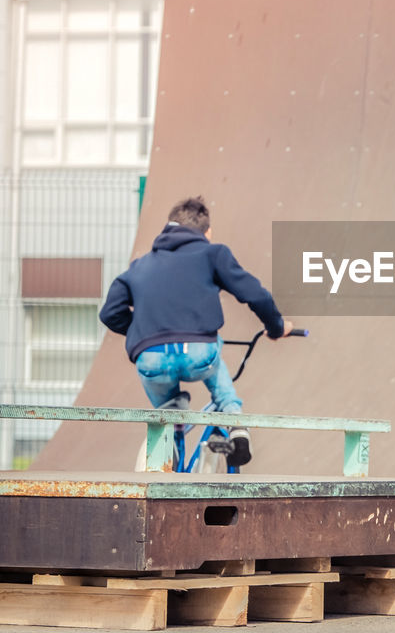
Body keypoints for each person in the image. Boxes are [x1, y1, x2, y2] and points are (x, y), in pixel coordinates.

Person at [100, 196, 292, 467]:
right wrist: (277, 327)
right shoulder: (212, 254)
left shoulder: (139, 266)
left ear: (168, 227)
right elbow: (255, 295)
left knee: (169, 414)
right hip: (199, 353)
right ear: (207, 233)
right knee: (218, 366)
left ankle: (171, 442)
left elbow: (109, 313)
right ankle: (235, 422)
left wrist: (142, 332)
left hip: (151, 358)